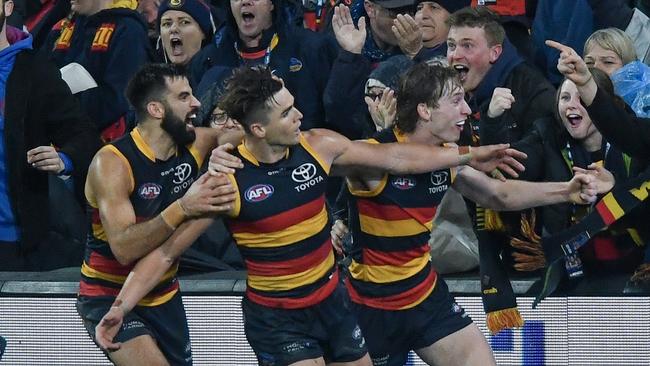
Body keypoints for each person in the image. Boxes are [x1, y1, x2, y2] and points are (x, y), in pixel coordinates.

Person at [91, 65, 540, 366]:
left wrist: (466, 154)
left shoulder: (319, 146)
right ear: (259, 129)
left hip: (333, 303)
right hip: (277, 320)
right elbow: (167, 253)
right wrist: (120, 307)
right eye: (287, 112)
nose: (299, 115)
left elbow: (399, 159)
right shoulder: (227, 183)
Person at [329, 63, 597, 366]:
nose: (467, 111)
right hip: (370, 307)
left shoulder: (448, 156)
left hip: (425, 297)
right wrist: (332, 222)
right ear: (425, 111)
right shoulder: (372, 154)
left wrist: (566, 190)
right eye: (456, 101)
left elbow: (498, 194)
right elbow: (330, 166)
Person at [76, 63, 238, 365]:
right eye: (184, 96)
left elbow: (246, 135)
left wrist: (231, 143)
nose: (197, 103)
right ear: (156, 109)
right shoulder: (112, 163)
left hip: (163, 291)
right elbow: (124, 248)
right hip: (108, 294)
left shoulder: (196, 144)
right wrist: (184, 207)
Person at [0, 0, 102, 271]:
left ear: (8, 7)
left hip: (12, 241)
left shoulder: (35, 72)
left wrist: (64, 159)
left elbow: (84, 135)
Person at [189, 0, 339, 130]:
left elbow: (339, 118)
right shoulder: (209, 60)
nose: (245, 2)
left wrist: (349, 57)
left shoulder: (312, 49)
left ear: (272, 4)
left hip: (300, 155)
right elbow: (195, 127)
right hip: (229, 158)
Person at [42, 0, 152, 141]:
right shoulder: (62, 28)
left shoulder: (128, 29)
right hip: (57, 136)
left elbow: (121, 97)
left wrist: (62, 108)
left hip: (102, 145)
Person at [157, 0, 217, 66]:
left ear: (203, 32)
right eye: (167, 24)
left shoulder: (222, 74)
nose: (173, 29)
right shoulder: (151, 74)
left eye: (184, 22)